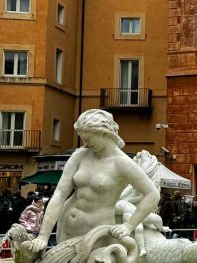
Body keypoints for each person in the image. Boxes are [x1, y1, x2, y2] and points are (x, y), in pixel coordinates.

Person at [28, 109, 160, 254]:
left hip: (98, 232)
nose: (85, 143)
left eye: (89, 138)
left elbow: (152, 194)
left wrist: (128, 226)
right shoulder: (79, 155)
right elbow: (59, 194)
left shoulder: (122, 163)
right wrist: (43, 235)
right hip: (66, 225)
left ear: (105, 133)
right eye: (82, 138)